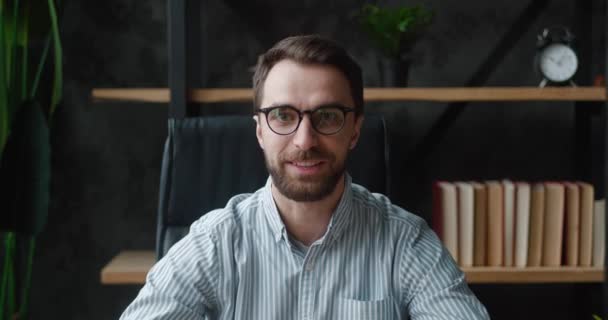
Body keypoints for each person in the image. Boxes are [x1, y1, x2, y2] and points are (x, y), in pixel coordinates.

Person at [120, 34, 490, 320]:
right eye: (283, 115)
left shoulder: (404, 243)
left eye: (327, 116)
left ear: (355, 130)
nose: (305, 140)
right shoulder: (215, 243)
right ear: (260, 130)